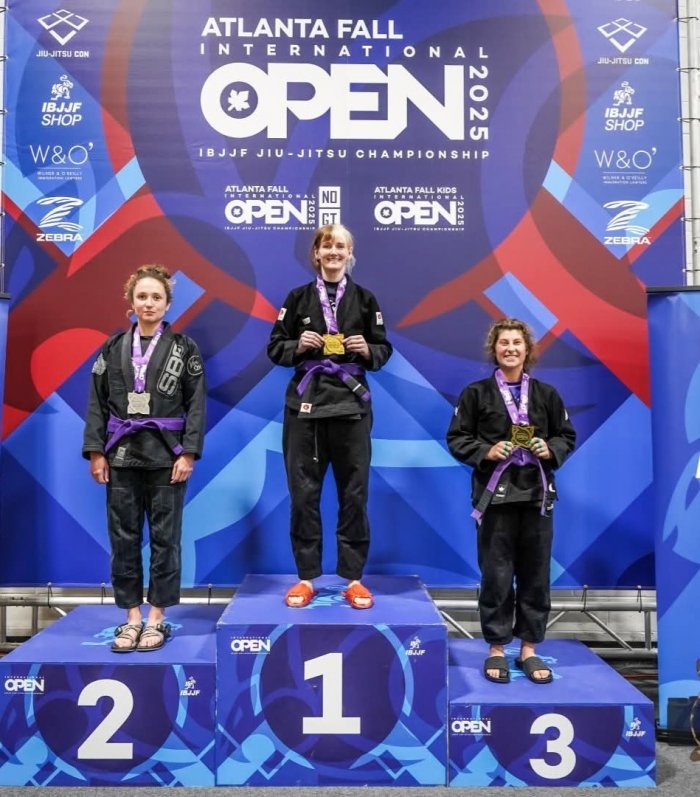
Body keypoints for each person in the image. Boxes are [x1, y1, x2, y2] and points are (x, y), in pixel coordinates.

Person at [268, 223, 392, 609]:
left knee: (354, 494)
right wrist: (297, 345)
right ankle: (306, 577)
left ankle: (353, 579)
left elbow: (384, 350)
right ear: (316, 253)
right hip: (305, 408)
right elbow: (274, 348)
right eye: (327, 246)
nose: (334, 252)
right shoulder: (297, 298)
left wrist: (367, 349)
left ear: (350, 253)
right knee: (303, 495)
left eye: (341, 246)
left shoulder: (366, 299)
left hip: (351, 407)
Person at [83, 265, 206, 652]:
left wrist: (189, 452)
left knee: (166, 540)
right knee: (124, 538)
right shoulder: (112, 348)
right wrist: (96, 451)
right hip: (121, 455)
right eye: (142, 296)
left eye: (156, 297)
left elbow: (196, 404)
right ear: (131, 302)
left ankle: (157, 617)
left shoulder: (184, 348)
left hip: (167, 456)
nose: (149, 303)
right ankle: (131, 616)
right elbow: (97, 403)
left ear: (168, 304)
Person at [446, 318, 575, 684]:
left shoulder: (546, 395)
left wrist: (550, 448)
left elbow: (566, 435)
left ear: (527, 349)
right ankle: (497, 649)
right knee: (496, 574)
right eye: (504, 343)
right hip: (494, 497)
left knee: (536, 575)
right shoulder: (476, 394)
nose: (510, 349)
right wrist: (486, 451)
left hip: (537, 496)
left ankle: (529, 649)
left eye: (517, 343)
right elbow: (457, 438)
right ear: (494, 349)